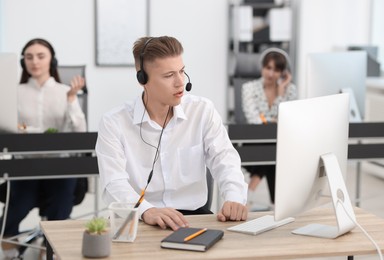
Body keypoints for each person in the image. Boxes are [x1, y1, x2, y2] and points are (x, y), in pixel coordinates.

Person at [96, 36, 248, 231]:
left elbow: (224, 158)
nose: (180, 82)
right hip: (139, 218)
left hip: (192, 219)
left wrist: (234, 197)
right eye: (169, 75)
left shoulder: (201, 110)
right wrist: (145, 210)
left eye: (182, 71)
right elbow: (113, 183)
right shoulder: (114, 123)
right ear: (142, 79)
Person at [0, 38, 87, 259]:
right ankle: (11, 252)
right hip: (25, 167)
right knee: (12, 212)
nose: (34, 62)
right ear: (23, 62)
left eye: (40, 56)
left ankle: (49, 250)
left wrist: (71, 99)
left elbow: (80, 130)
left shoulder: (65, 91)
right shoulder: (13, 92)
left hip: (59, 166)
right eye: (29, 57)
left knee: (59, 211)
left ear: (52, 60)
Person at [241, 47, 297, 210]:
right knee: (273, 151)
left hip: (279, 141)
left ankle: (250, 190)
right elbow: (253, 119)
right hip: (254, 141)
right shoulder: (249, 88)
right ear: (262, 67)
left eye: (277, 70)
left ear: (283, 72)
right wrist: (273, 121)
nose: (271, 74)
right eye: (268, 68)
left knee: (273, 148)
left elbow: (287, 120)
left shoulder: (289, 90)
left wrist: (280, 94)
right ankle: (276, 203)